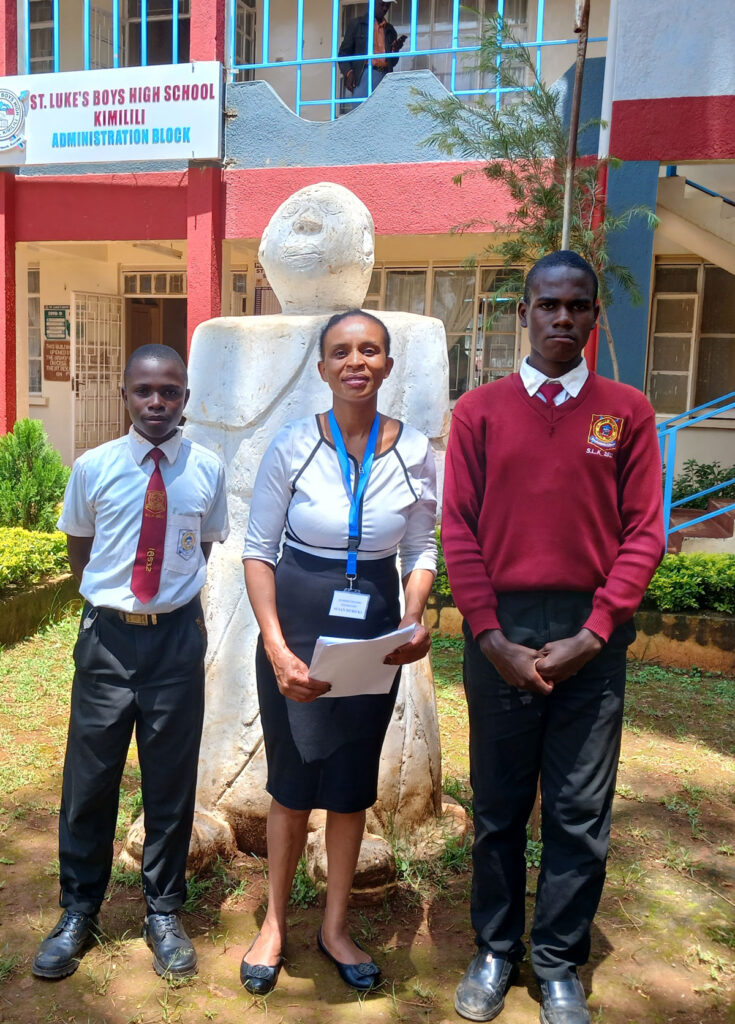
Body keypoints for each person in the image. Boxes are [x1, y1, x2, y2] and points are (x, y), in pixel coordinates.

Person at [442, 251, 665, 1024]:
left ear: (593, 317)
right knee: (499, 807)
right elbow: (457, 530)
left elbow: (643, 533)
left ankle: (558, 961)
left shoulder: (626, 412)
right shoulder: (477, 411)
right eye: (547, 305)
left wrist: (596, 630)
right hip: (498, 630)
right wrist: (489, 635)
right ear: (522, 314)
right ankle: (496, 948)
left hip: (590, 639)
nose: (561, 318)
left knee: (577, 810)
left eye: (576, 306)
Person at [240, 309, 437, 995]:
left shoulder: (414, 451)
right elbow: (258, 550)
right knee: (292, 783)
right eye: (341, 352)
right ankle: (272, 923)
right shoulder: (292, 446)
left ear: (386, 365)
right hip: (294, 621)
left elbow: (420, 547)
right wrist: (273, 645)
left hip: (373, 626)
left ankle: (333, 927)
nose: (356, 362)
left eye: (370, 351)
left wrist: (411, 618)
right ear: (322, 368)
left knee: (351, 782)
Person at [32, 344, 229, 981]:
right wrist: (114, 607)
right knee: (90, 781)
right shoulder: (93, 468)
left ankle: (163, 910)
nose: (156, 403)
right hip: (109, 641)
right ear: (125, 395)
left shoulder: (206, 469)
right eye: (144, 390)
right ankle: (79, 909)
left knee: (170, 782)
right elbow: (80, 550)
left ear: (185, 400)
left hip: (176, 641)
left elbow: (205, 544)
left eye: (169, 392)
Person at [339, 0, 407, 100]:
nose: (385, 8)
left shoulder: (390, 30)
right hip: (364, 74)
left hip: (385, 75)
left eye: (387, 5)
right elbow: (343, 54)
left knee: (384, 112)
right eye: (382, 4)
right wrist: (349, 73)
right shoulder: (357, 24)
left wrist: (395, 50)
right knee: (362, 111)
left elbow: (392, 62)